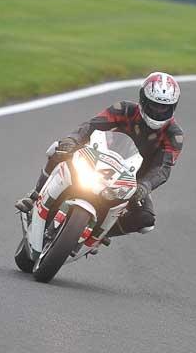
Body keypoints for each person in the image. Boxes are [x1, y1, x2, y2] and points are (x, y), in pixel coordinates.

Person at [15, 72, 184, 238]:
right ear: (143, 100)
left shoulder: (174, 135)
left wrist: (145, 185)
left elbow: (163, 168)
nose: (158, 111)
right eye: (154, 105)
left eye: (164, 107)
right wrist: (72, 139)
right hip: (96, 157)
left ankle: (98, 235)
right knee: (58, 149)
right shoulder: (124, 109)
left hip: (133, 180)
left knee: (146, 221)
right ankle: (35, 195)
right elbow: (92, 125)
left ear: (173, 107)